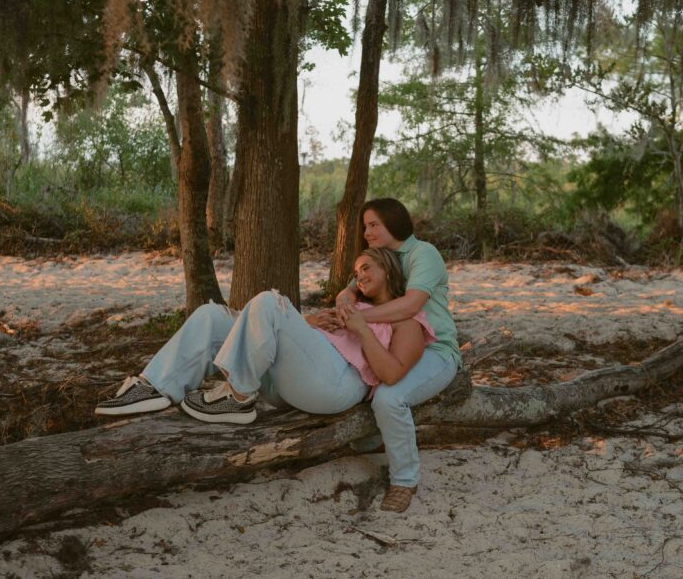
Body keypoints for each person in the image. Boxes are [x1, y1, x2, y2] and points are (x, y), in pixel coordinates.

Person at [95, 248, 434, 438]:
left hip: (336, 385)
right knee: (212, 315)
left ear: (389, 269)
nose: (359, 277)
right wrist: (305, 323)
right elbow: (293, 342)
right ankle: (155, 385)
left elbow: (391, 375)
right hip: (293, 377)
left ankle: (239, 397)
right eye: (356, 272)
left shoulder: (408, 320)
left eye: (366, 268)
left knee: (271, 302)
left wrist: (361, 329)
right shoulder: (353, 305)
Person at [334, 197, 461, 513]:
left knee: (389, 397)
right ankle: (369, 442)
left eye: (374, 224)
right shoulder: (380, 258)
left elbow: (410, 305)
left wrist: (359, 319)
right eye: (365, 227)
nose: (367, 233)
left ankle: (404, 480)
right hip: (388, 346)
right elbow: (348, 291)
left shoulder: (423, 254)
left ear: (395, 221)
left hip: (434, 351)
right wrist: (346, 299)